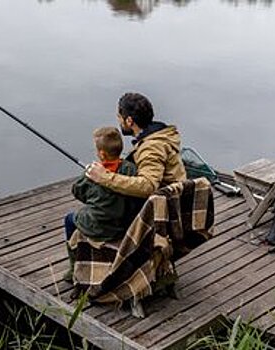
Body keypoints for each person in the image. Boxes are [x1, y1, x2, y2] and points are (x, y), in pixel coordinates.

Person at [85, 92, 187, 207]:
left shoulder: (152, 147)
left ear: (129, 121)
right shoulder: (158, 134)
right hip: (170, 197)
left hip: (164, 206)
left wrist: (103, 177)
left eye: (119, 117)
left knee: (73, 218)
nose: (119, 121)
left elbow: (148, 186)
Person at [63, 127, 137, 281]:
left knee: (69, 219)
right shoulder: (130, 169)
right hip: (125, 225)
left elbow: (78, 191)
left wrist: (87, 173)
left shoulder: (94, 175)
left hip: (101, 228)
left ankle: (73, 268)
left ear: (102, 154)